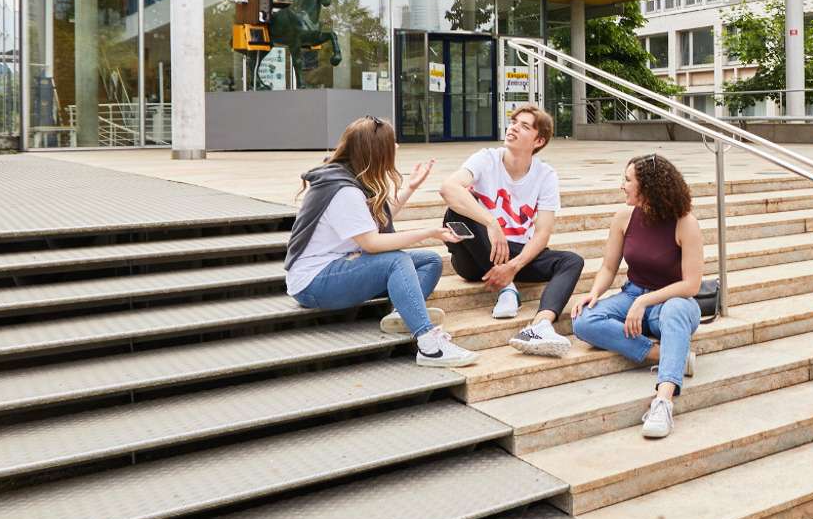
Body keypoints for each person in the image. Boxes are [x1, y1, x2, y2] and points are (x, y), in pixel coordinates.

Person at [286, 116, 477, 368]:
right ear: (376, 152)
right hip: (314, 282)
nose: (396, 148)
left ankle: (402, 315)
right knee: (397, 260)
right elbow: (372, 243)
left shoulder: (348, 178)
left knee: (429, 260)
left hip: (340, 267)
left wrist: (410, 188)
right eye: (392, 143)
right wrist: (429, 231)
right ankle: (430, 348)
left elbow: (373, 222)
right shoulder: (344, 191)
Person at [572, 154, 705, 439]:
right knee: (583, 321)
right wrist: (593, 294)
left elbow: (691, 285)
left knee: (675, 312)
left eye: (628, 180)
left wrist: (644, 301)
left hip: (672, 302)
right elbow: (609, 267)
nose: (623, 186)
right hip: (632, 294)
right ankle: (670, 354)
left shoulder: (685, 222)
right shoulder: (624, 218)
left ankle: (663, 400)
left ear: (648, 186)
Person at [438, 104, 584, 357]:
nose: (513, 127)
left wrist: (513, 267)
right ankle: (508, 290)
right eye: (513, 121)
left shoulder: (545, 175)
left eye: (524, 125)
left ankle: (541, 325)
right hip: (474, 257)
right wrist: (491, 223)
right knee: (455, 212)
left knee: (572, 261)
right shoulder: (486, 158)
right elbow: (448, 188)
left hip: (515, 255)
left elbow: (543, 233)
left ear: (538, 141)